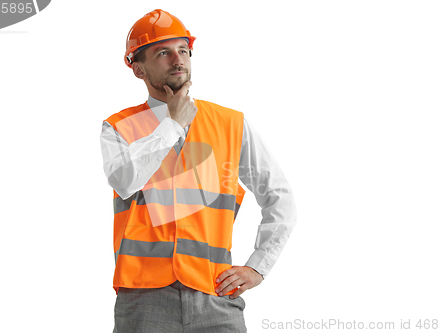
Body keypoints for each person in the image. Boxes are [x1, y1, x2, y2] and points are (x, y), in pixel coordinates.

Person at [100, 9, 297, 333]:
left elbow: (279, 196)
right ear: (138, 68)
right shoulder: (119, 127)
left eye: (183, 50)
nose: (177, 59)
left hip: (216, 296)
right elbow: (124, 181)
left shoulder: (231, 124)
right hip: (143, 300)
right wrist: (173, 124)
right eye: (162, 52)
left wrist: (258, 267)